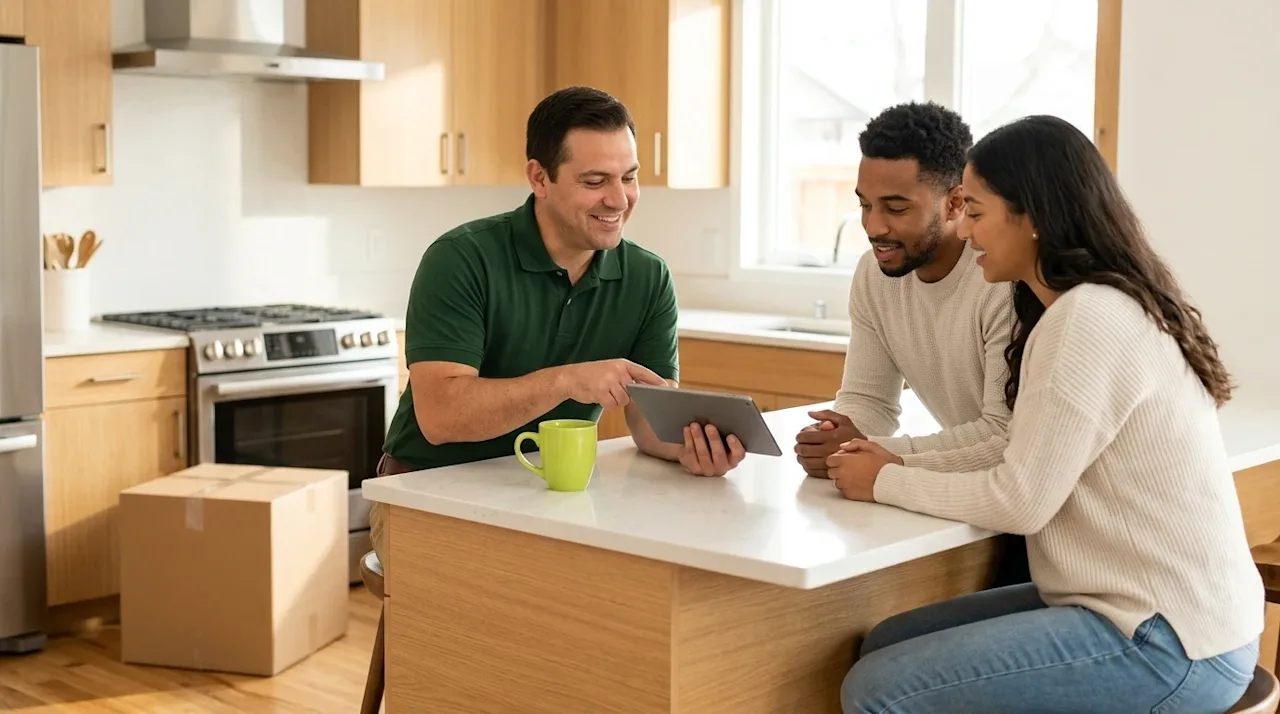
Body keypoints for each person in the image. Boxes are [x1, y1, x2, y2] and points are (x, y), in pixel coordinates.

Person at [828, 115, 1264, 713]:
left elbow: (1020, 499)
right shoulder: (1078, 309)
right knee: (886, 643)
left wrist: (884, 480)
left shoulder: (1086, 319)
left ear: (1030, 218)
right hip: (1136, 611)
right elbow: (1014, 449)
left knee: (877, 690)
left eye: (977, 213)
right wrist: (887, 458)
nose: (969, 233)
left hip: (1170, 641)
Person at [368, 86, 746, 571]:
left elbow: (650, 421)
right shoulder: (461, 259)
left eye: (629, 177)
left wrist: (688, 450)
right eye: (595, 181)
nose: (619, 199)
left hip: (554, 498)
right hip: (427, 492)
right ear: (539, 177)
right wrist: (568, 379)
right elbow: (441, 418)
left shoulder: (648, 278)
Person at [792, 101, 1027, 586]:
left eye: (896, 207)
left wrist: (878, 456)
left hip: (1011, 503)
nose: (874, 226)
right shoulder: (874, 276)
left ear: (957, 201)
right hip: (966, 492)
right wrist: (840, 436)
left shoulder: (1002, 279)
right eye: (864, 204)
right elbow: (868, 401)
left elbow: (1003, 435)